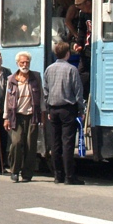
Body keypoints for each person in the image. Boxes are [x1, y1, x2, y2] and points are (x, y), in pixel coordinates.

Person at [44, 41, 86, 185]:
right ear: (67, 53)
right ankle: (70, 176)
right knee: (67, 143)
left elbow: (46, 91)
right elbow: (78, 91)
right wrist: (81, 109)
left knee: (55, 144)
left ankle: (58, 175)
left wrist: (48, 108)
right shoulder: (72, 70)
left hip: (53, 108)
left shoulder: (49, 69)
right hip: (68, 109)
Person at [4, 51, 43, 182]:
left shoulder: (36, 77)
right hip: (17, 116)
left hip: (32, 116)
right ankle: (14, 171)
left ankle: (27, 173)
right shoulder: (11, 79)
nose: (25, 65)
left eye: (27, 62)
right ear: (17, 63)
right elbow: (7, 99)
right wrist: (6, 117)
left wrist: (42, 114)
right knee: (16, 143)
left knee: (30, 145)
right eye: (22, 62)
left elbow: (41, 97)